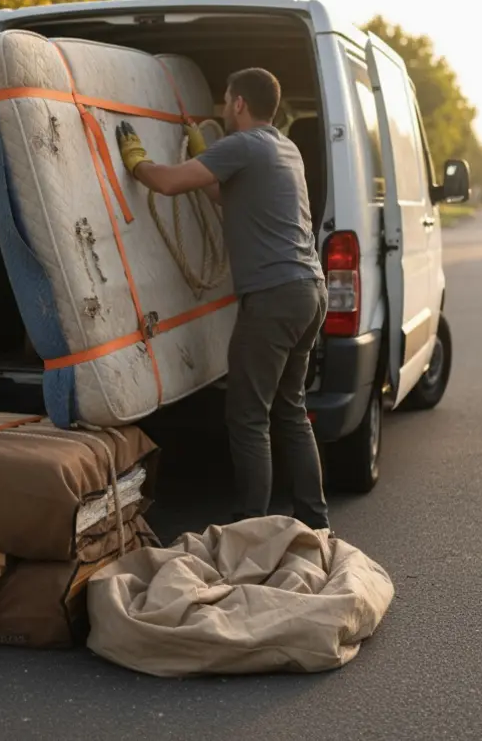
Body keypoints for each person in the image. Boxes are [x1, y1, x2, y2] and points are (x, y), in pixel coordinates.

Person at [114, 67, 330, 530]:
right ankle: (315, 523)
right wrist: (203, 156)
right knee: (290, 410)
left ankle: (250, 529)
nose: (223, 109)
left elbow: (170, 183)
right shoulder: (284, 148)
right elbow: (227, 198)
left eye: (226, 100)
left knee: (248, 416)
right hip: (309, 291)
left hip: (273, 298)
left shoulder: (242, 145)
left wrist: (137, 163)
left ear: (238, 104)